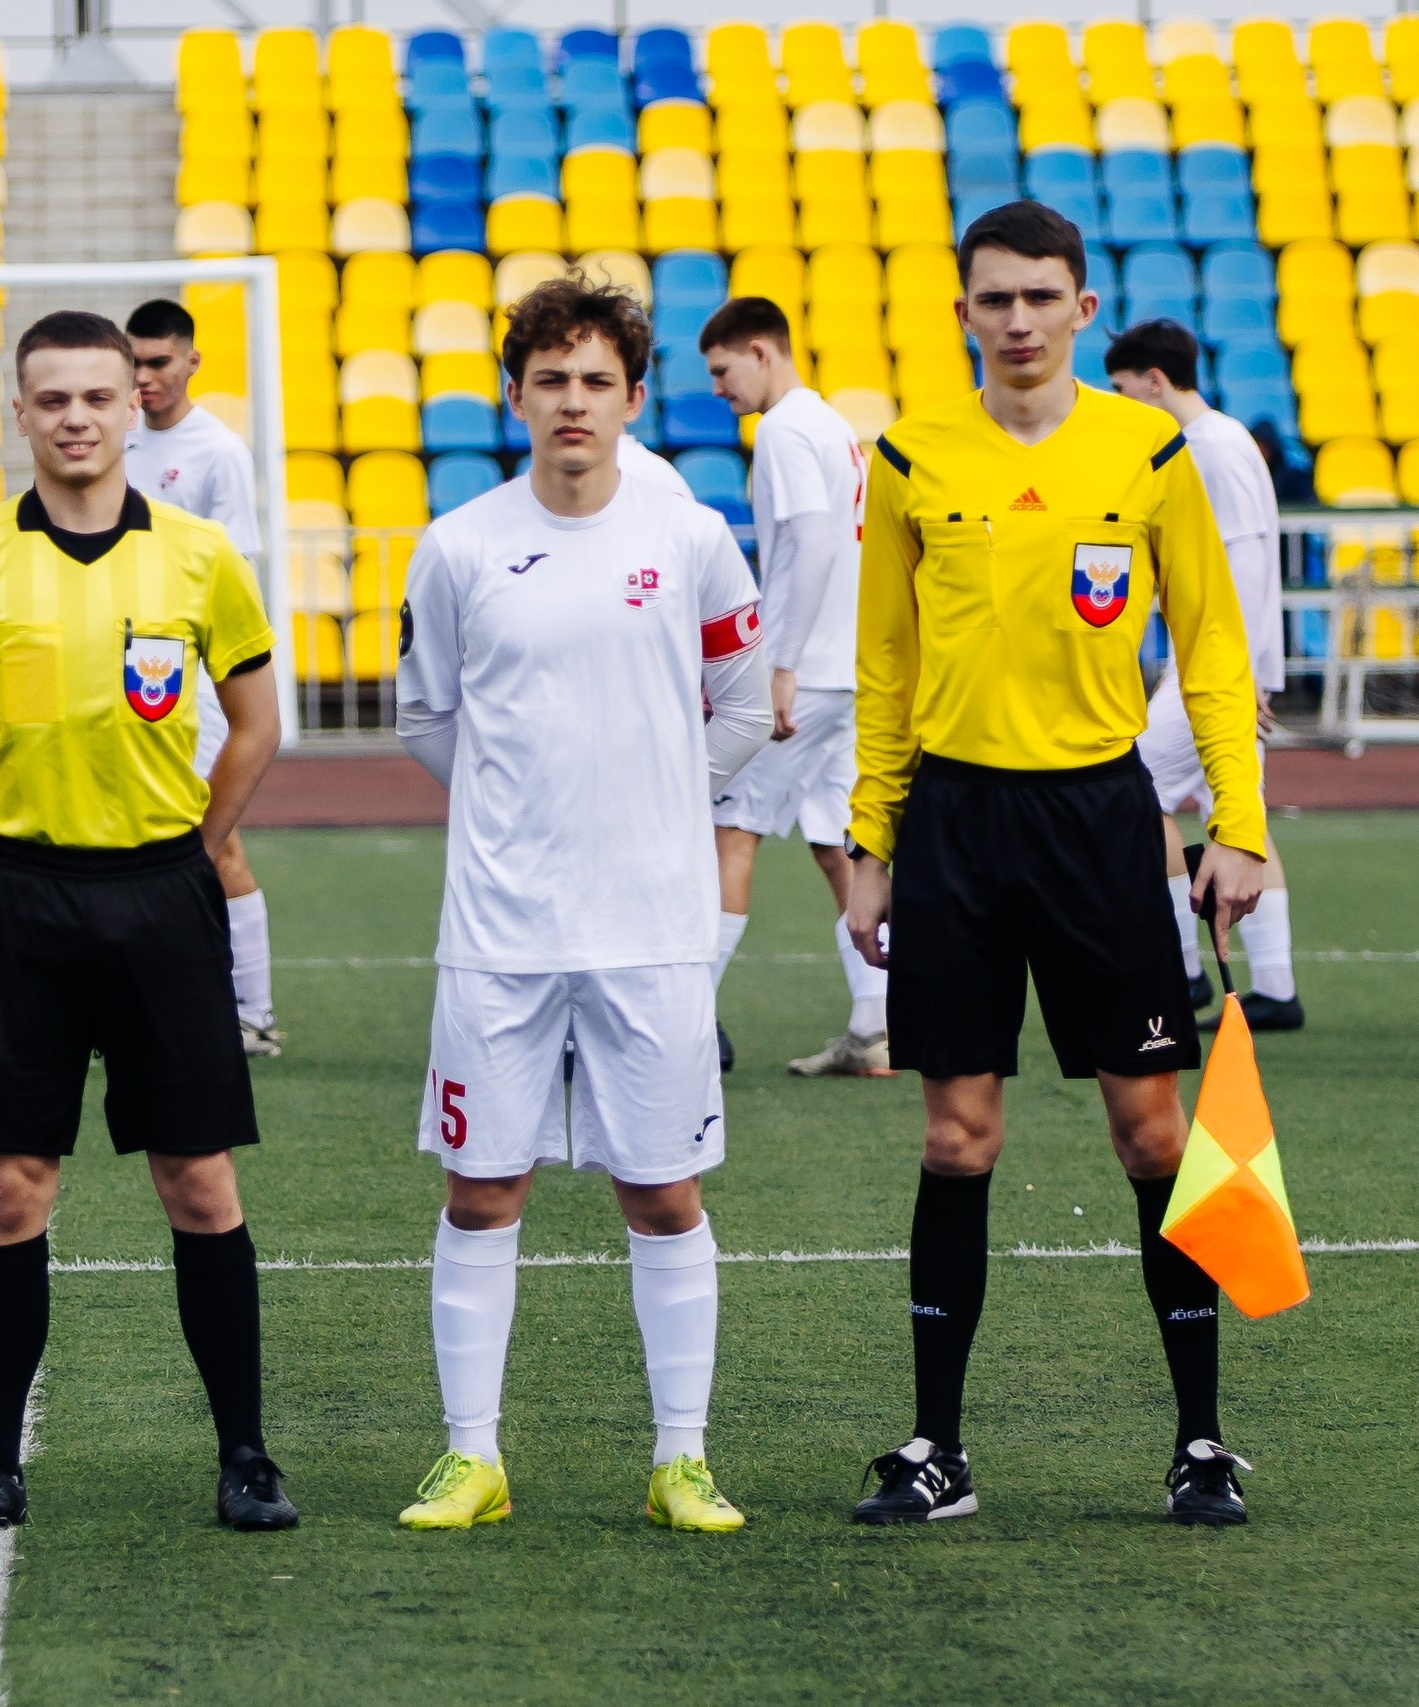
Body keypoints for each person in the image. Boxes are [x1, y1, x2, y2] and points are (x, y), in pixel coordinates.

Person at [844, 203, 1266, 1527]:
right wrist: (870, 838)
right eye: (995, 298)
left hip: (1097, 819)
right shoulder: (910, 456)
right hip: (957, 827)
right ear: (963, 311)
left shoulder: (1149, 450)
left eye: (1042, 296)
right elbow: (885, 666)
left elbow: (1210, 644)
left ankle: (1201, 1441)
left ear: (1083, 309)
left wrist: (1239, 822)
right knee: (957, 1135)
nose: (1018, 318)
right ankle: (936, 1448)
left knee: (1152, 1130)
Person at [0, 311, 295, 1535]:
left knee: (198, 1181)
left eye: (96, 397)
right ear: (21, 414)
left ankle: (246, 1457)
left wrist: (204, 846)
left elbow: (259, 721)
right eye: (49, 399)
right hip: (21, 903)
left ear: (133, 407)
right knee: (11, 1188)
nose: (74, 417)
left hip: (165, 895)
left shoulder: (198, 555)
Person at [392, 277, 772, 1536]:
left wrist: (666, 803)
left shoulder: (691, 538)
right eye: (548, 379)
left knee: (663, 1194)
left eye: (594, 381)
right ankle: (471, 1458)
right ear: (514, 395)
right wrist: (516, 806)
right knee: (480, 1188)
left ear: (633, 399)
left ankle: (681, 1459)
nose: (571, 402)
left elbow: (742, 700)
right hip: (499, 931)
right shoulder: (455, 545)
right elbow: (427, 716)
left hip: (651, 927)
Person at [698, 295, 892, 1078]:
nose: (718, 388)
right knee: (836, 841)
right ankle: (879, 1023)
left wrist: (777, 665)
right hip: (850, 670)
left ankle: (677, 1027)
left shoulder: (781, 430)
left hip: (804, 671)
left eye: (722, 369)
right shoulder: (834, 426)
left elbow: (809, 544)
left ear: (759, 351)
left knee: (729, 832)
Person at [1106, 318, 1303, 1032]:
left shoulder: (1210, 448)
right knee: (1237, 808)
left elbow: (1242, 563)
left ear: (1155, 381)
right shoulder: (1219, 443)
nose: (1122, 401)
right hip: (1227, 665)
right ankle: (1274, 986)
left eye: (1126, 390)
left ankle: (1180, 969)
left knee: (1134, 789)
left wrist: (1238, 674)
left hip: (1217, 670)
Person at [121, 297, 282, 1056]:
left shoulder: (217, 450)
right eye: (136, 362)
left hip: (190, 665)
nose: (145, 377)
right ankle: (126, 1005)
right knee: (122, 833)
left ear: (191, 361)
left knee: (209, 839)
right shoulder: (115, 440)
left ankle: (252, 1011)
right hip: (121, 662)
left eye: (158, 362)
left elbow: (234, 572)